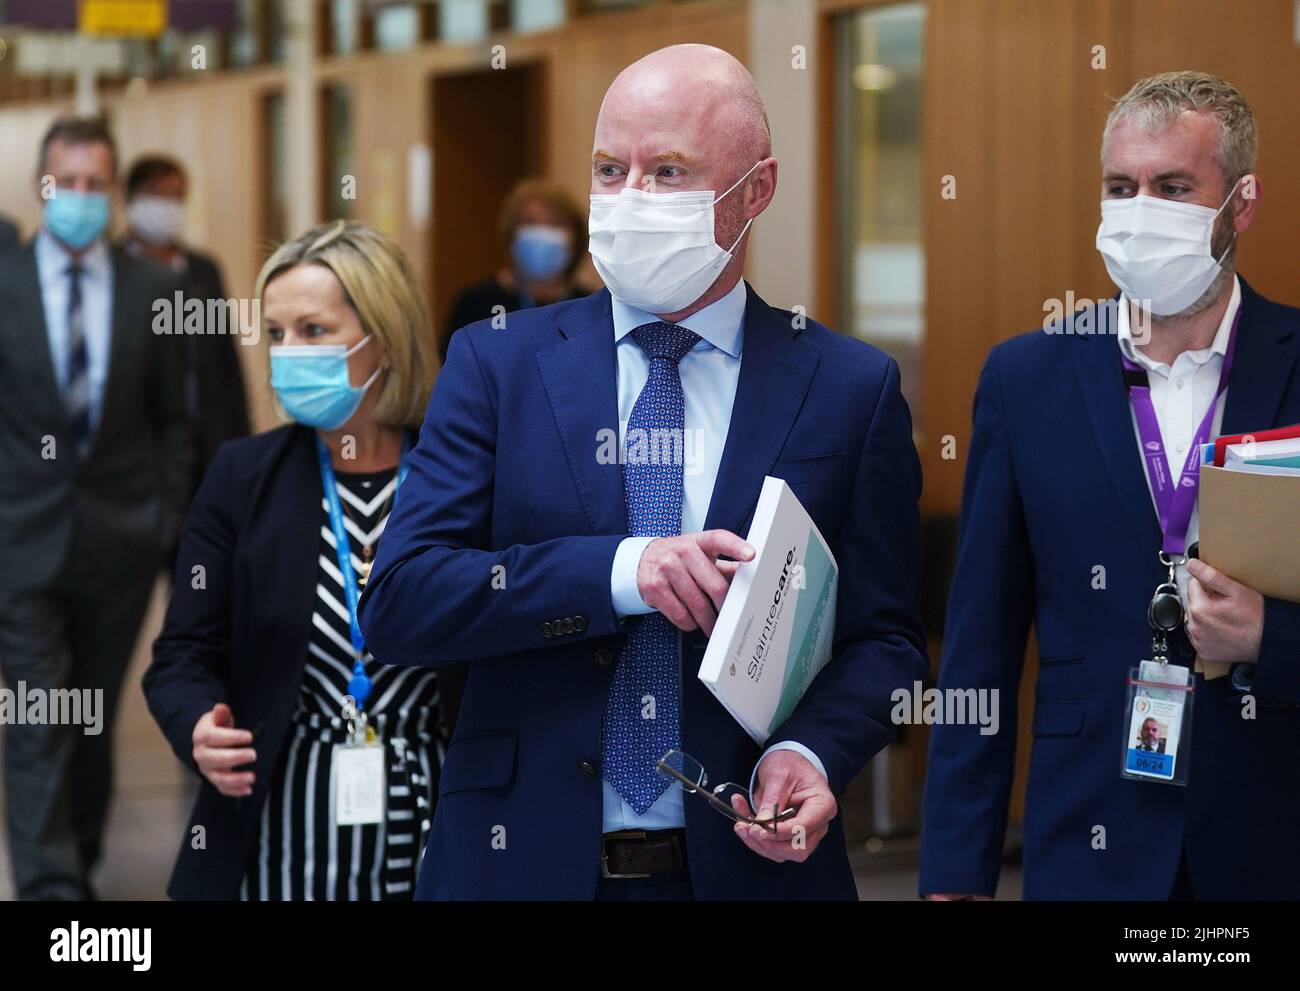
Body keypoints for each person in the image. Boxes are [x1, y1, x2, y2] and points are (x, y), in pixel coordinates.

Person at [360, 44, 928, 901]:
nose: (630, 199)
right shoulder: (497, 363)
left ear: (756, 191)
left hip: (743, 867)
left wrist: (810, 751)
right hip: (522, 862)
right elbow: (403, 598)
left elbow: (886, 640)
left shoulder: (848, 387)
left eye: (668, 171)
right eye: (608, 168)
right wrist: (627, 569)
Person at [920, 71, 1300, 901]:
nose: (1140, 212)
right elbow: (980, 640)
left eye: (1172, 187)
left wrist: (1271, 638)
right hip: (1087, 839)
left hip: (1272, 835)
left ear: (1241, 204)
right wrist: (955, 870)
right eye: (1121, 187)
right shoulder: (1027, 379)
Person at [143, 221, 446, 900]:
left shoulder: (456, 477)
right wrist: (198, 722)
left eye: (313, 331)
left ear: (385, 342)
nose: (288, 355)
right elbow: (182, 653)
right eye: (276, 335)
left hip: (438, 827)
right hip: (280, 833)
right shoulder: (243, 477)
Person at [0, 116, 190, 900]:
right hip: (21, 540)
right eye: (64, 182)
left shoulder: (152, 288)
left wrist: (163, 516)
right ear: (42, 187)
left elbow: (175, 418)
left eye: (93, 183)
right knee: (39, 713)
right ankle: (51, 891)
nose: (79, 197)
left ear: (111, 191)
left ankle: (72, 855)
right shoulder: (4, 280)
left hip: (120, 541)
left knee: (88, 718)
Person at [120, 155, 249, 506]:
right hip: (135, 447)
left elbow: (225, 363)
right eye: (155, 193)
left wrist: (237, 440)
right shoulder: (112, 269)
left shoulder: (201, 272)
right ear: (130, 199)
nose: (166, 204)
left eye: (175, 195)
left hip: (203, 439)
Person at [440, 178, 587, 363]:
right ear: (511, 235)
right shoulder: (475, 304)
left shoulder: (589, 307)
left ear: (575, 239)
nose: (541, 234)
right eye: (530, 223)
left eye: (555, 224)